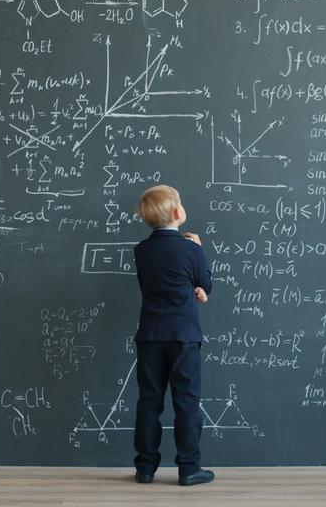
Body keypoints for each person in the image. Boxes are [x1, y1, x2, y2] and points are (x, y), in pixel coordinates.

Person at [131, 184, 215, 486]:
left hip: (151, 335)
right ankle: (189, 468)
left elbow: (151, 287)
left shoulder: (141, 251)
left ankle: (145, 468)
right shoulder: (190, 249)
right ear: (178, 212)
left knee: (149, 403)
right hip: (184, 336)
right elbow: (205, 282)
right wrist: (198, 250)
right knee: (186, 403)